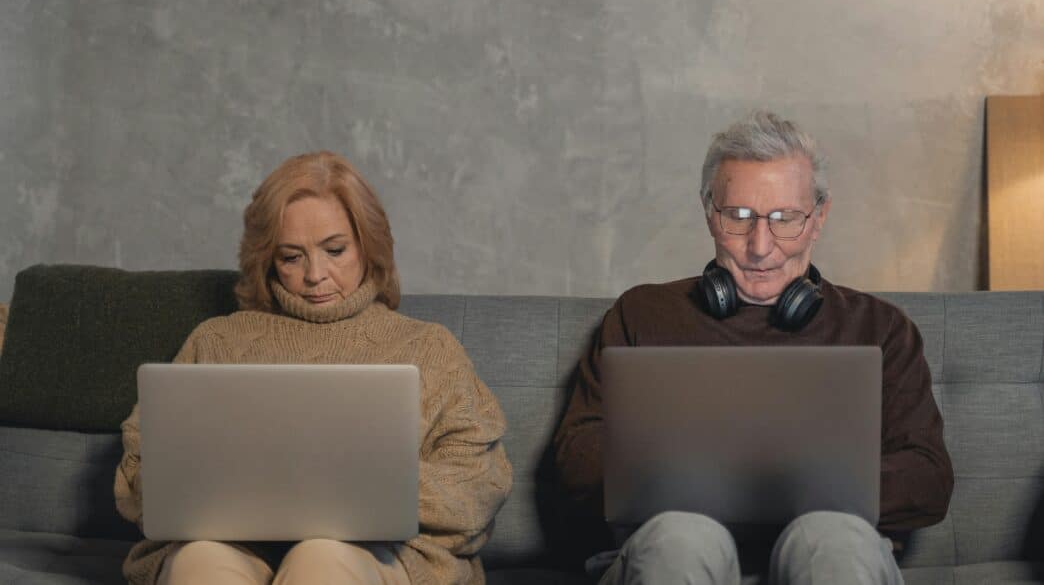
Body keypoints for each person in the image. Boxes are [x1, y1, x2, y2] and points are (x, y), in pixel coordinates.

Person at [552, 111, 953, 585]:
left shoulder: (881, 328)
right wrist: (691, 482)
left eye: (785, 219)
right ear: (708, 213)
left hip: (831, 553)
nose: (761, 246)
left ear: (818, 217)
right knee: (682, 539)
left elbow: (927, 478)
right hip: (672, 552)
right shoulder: (641, 314)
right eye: (738, 217)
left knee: (832, 540)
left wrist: (786, 484)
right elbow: (576, 459)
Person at [114, 151, 512, 585]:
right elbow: (140, 461)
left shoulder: (430, 349)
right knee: (200, 565)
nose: (315, 275)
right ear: (267, 258)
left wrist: (362, 491)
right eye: (291, 257)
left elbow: (479, 484)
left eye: (335, 250)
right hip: (232, 544)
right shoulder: (217, 340)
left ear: (368, 243)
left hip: (379, 552)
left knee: (319, 561)